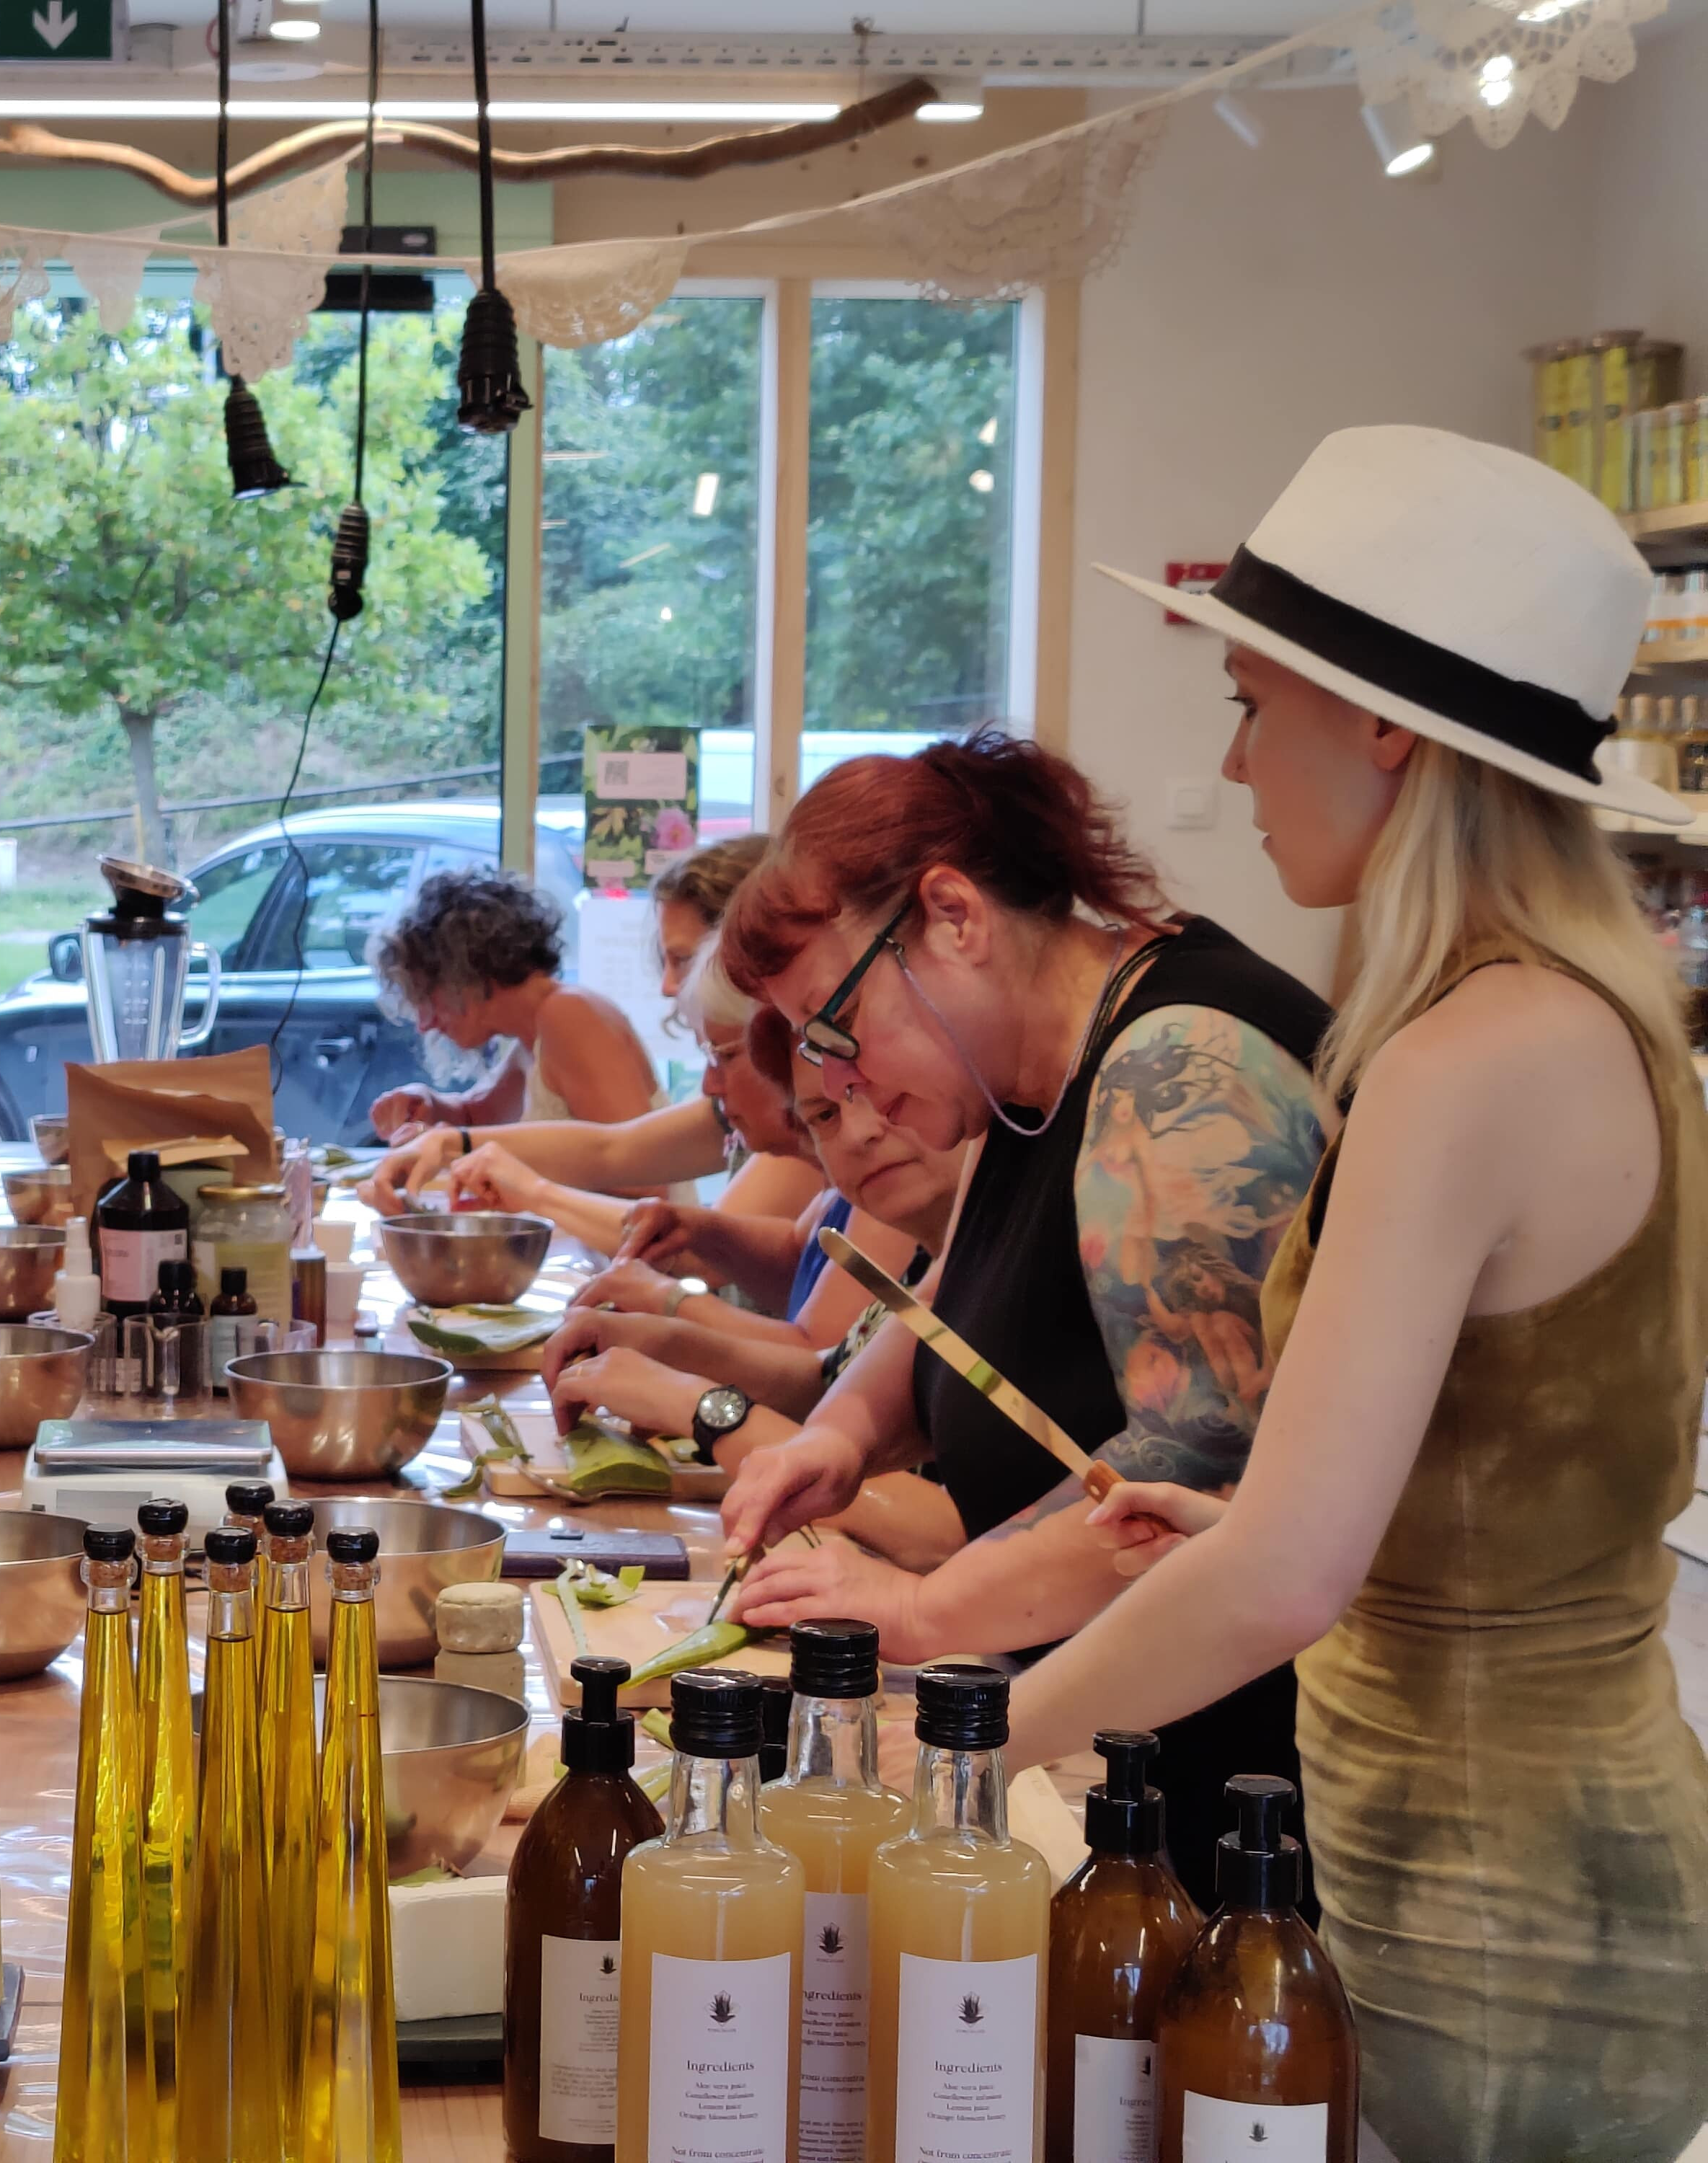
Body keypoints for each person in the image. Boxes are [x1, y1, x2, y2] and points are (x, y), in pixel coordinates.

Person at [1007, 428, 1708, 2159]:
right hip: (1511, 1847)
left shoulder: (1469, 1055)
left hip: (1493, 1913)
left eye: (1253, 701)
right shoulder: (1579, 1017)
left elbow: (1286, 1572)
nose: (1233, 761)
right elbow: (1511, 1465)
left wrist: (970, 1738)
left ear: (1383, 725)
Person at [708, 730, 1333, 1912]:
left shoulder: (1176, 1070)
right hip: (1110, 1742)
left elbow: (1190, 1469)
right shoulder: (1023, 1082)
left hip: (1239, 1803)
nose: (831, 1086)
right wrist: (838, 1438)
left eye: (834, 1029)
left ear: (953, 916)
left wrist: (921, 1610)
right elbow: (954, 1307)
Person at [548, 1004, 970, 1572]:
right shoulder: (937, 1254)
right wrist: (671, 1347)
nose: (862, 1131)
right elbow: (830, 1379)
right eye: (824, 1115)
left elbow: (953, 1534)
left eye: (888, 1096)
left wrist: (701, 1406)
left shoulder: (1008, 1255)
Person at [359, 839, 816, 1223]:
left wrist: (525, 1188)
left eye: (726, 1056)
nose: (668, 987)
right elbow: (610, 1150)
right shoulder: (538, 1031)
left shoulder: (808, 1119)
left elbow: (660, 1205)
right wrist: (446, 1134)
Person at [364, 864, 665, 1144]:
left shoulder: (569, 1015)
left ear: (464, 973)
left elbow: (645, 1182)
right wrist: (430, 1104)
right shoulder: (532, 1034)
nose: (425, 1023)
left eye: (428, 997)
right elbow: (478, 1117)